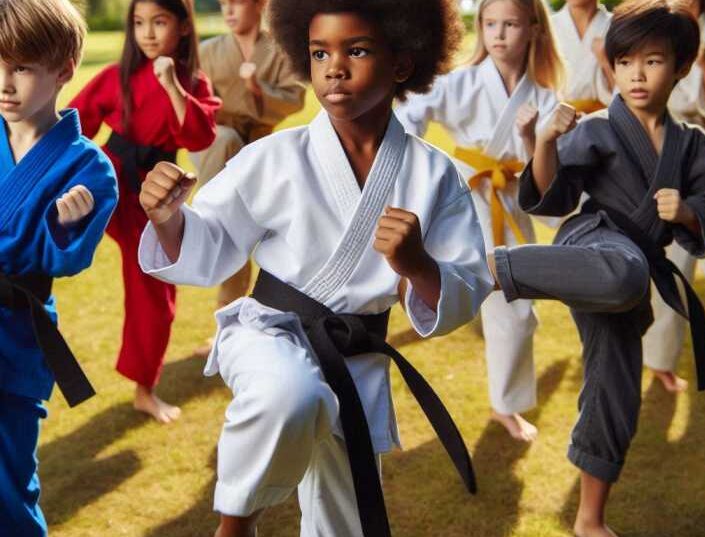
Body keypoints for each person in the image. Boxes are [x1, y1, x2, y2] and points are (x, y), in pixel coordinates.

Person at [138, 0, 494, 535]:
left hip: (355, 355)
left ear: (402, 62)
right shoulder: (277, 157)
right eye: (319, 52)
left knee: (346, 520)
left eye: (356, 50)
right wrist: (168, 220)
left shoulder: (434, 174)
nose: (334, 67)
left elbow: (467, 282)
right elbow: (210, 241)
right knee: (291, 395)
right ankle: (235, 524)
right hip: (270, 334)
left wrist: (417, 265)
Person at [487, 1, 705, 534]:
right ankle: (492, 267)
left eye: (653, 61)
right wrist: (544, 141)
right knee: (625, 274)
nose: (637, 74)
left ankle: (590, 520)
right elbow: (552, 193)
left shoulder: (695, 146)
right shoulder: (597, 128)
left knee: (615, 389)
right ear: (611, 65)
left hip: (636, 263)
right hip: (595, 245)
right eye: (626, 61)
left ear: (681, 66)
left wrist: (686, 211)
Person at [395, 0, 562, 442]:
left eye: (510, 24)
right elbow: (408, 115)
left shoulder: (545, 98)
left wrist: (531, 139)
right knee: (498, 304)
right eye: (490, 24)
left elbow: (545, 181)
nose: (499, 34)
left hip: (510, 205)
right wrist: (424, 165)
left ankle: (505, 404)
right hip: (464, 202)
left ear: (534, 29)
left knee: (517, 310)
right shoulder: (461, 82)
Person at [70, 0, 220, 423]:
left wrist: (174, 85)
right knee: (41, 242)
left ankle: (144, 390)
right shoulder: (117, 77)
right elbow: (72, 122)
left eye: (159, 21)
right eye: (139, 23)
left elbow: (199, 136)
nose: (148, 33)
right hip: (105, 180)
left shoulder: (193, 83)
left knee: (155, 290)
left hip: (152, 195)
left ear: (183, 28)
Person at [0, 0, 118, 533]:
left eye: (21, 66)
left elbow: (66, 259)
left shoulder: (89, 168)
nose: (5, 82)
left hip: (15, 335)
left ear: (64, 70)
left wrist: (62, 228)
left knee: (8, 485)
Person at [189, 0, 306, 356]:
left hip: (259, 148)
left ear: (259, 6)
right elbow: (194, 103)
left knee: (264, 244)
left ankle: (265, 323)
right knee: (231, 238)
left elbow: (295, 99)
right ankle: (207, 222)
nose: (228, 10)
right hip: (217, 147)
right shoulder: (208, 51)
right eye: (223, 3)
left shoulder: (280, 51)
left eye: (236, 3)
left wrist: (257, 88)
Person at [642, 0, 705, 392]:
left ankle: (660, 361)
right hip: (650, 152)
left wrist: (703, 64)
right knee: (655, 266)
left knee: (688, 262)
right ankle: (648, 356)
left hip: (697, 155)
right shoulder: (650, 21)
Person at [551, 0, 614, 115]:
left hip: (605, 120)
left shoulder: (615, 26)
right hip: (557, 122)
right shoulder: (548, 27)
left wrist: (605, 62)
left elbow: (626, 91)